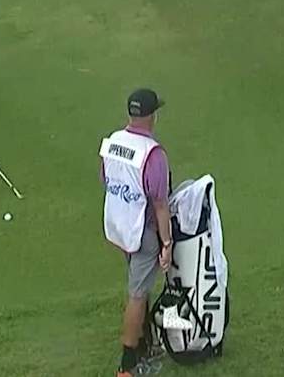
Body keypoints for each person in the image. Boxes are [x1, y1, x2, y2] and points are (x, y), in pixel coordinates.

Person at [99, 88, 173, 377]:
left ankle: (145, 344)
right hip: (141, 231)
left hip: (119, 225)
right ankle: (127, 365)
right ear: (153, 115)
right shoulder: (153, 154)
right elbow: (160, 204)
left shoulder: (113, 142)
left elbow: (107, 179)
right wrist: (166, 243)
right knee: (138, 293)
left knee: (137, 282)